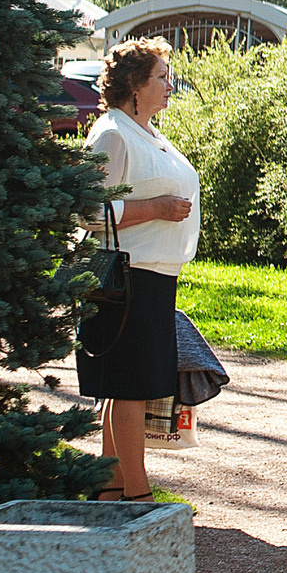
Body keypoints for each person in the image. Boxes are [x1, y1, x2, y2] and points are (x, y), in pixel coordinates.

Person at [78, 37, 200, 504]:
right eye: (162, 78)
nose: (171, 85)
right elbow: (89, 209)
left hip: (153, 276)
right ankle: (137, 494)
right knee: (127, 386)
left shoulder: (146, 132)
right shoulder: (112, 133)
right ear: (134, 84)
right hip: (125, 277)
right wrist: (157, 207)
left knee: (127, 386)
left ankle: (110, 486)